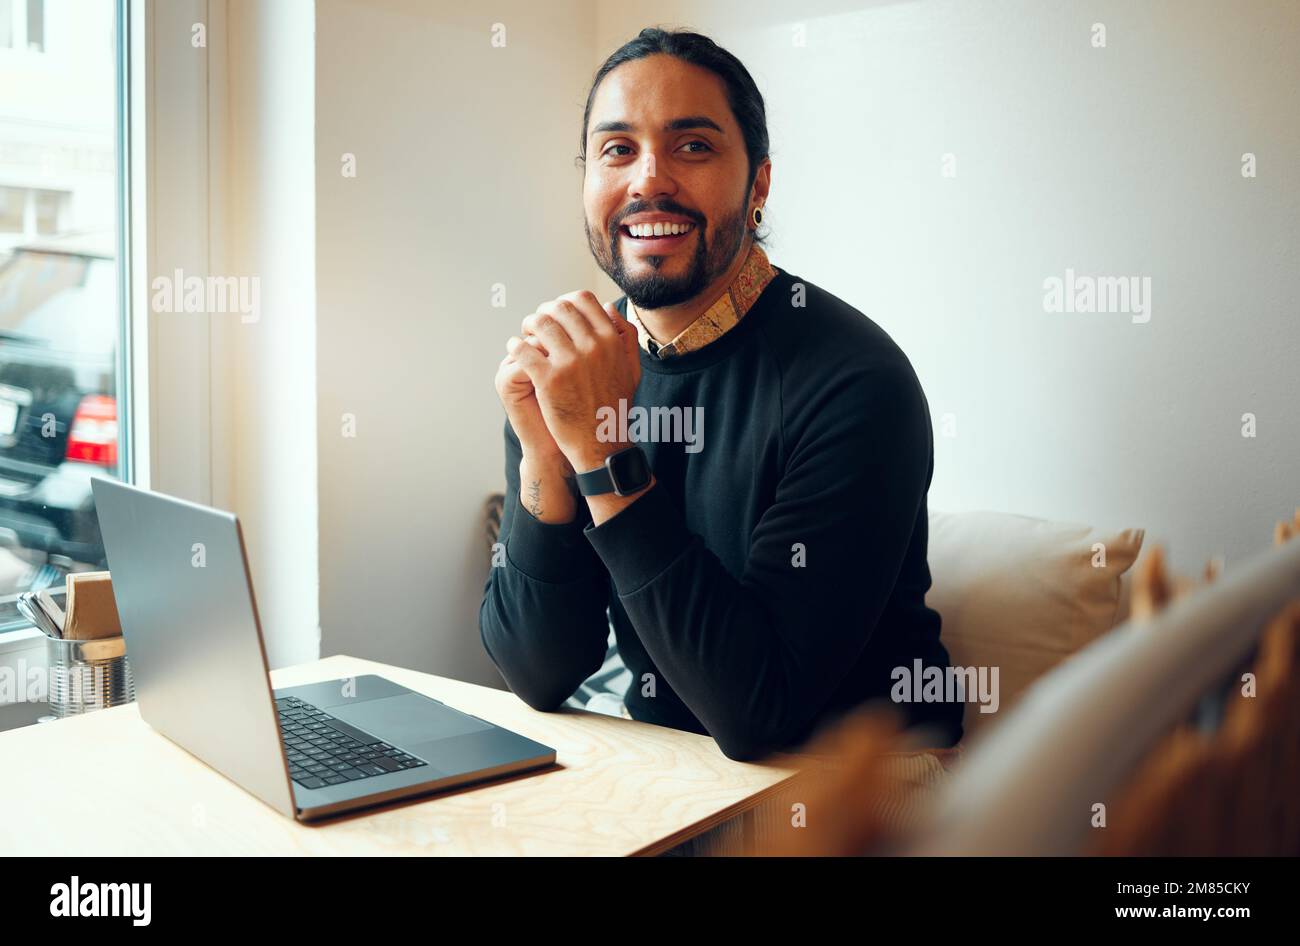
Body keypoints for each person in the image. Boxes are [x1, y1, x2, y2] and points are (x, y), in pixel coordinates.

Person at [479, 27, 963, 761]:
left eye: (693, 146)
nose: (647, 180)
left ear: (758, 184)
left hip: (852, 785)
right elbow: (541, 674)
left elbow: (759, 710)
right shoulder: (572, 369)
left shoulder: (856, 384)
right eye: (617, 149)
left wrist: (603, 454)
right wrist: (546, 457)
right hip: (676, 764)